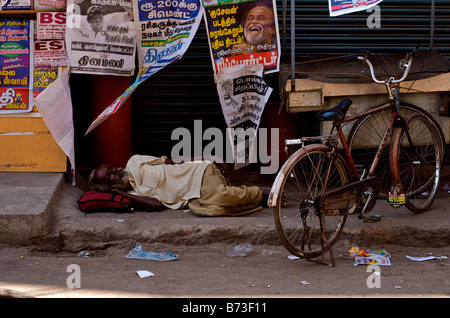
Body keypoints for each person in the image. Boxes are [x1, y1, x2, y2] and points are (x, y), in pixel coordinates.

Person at [88, 154, 270, 217]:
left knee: (220, 196)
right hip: (192, 198)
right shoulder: (133, 195)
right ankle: (255, 200)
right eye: (109, 177)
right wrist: (122, 193)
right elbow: (155, 205)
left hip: (199, 174)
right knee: (209, 211)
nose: (115, 172)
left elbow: (172, 161)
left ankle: (260, 192)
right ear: (106, 188)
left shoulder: (135, 162)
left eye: (111, 169)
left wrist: (209, 157)